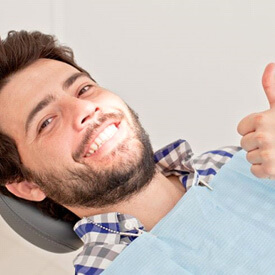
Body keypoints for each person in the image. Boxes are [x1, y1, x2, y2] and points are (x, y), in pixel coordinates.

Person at [0, 30, 274, 274]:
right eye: (46, 122)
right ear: (27, 185)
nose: (84, 109)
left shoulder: (243, 161)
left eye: (83, 89)